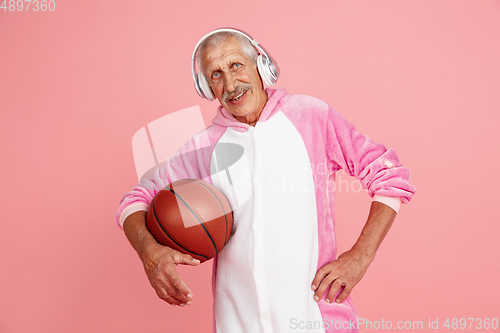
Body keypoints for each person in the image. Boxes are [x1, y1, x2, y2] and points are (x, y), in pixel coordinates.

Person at [115, 28, 416, 333]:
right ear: (206, 87)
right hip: (237, 324)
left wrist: (361, 256)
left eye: (236, 65)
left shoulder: (311, 117)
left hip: (315, 321)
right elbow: (135, 199)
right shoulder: (204, 147)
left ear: (261, 65)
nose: (231, 84)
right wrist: (148, 251)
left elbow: (388, 173)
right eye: (216, 74)